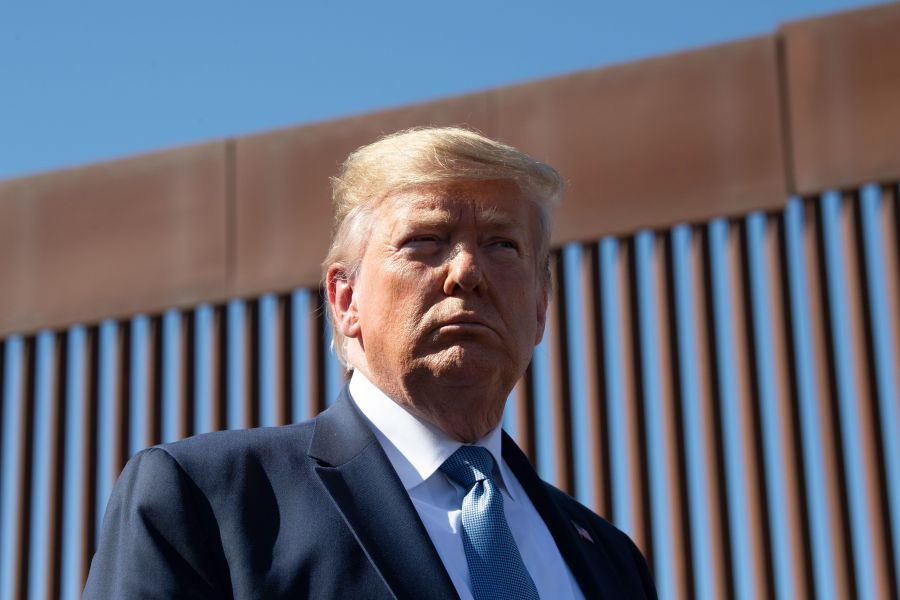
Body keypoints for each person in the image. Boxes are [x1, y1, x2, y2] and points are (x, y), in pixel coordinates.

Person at [84, 127, 657, 599]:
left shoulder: (611, 560)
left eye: (502, 245)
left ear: (539, 308)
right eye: (426, 241)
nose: (467, 272)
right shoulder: (211, 500)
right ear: (345, 298)